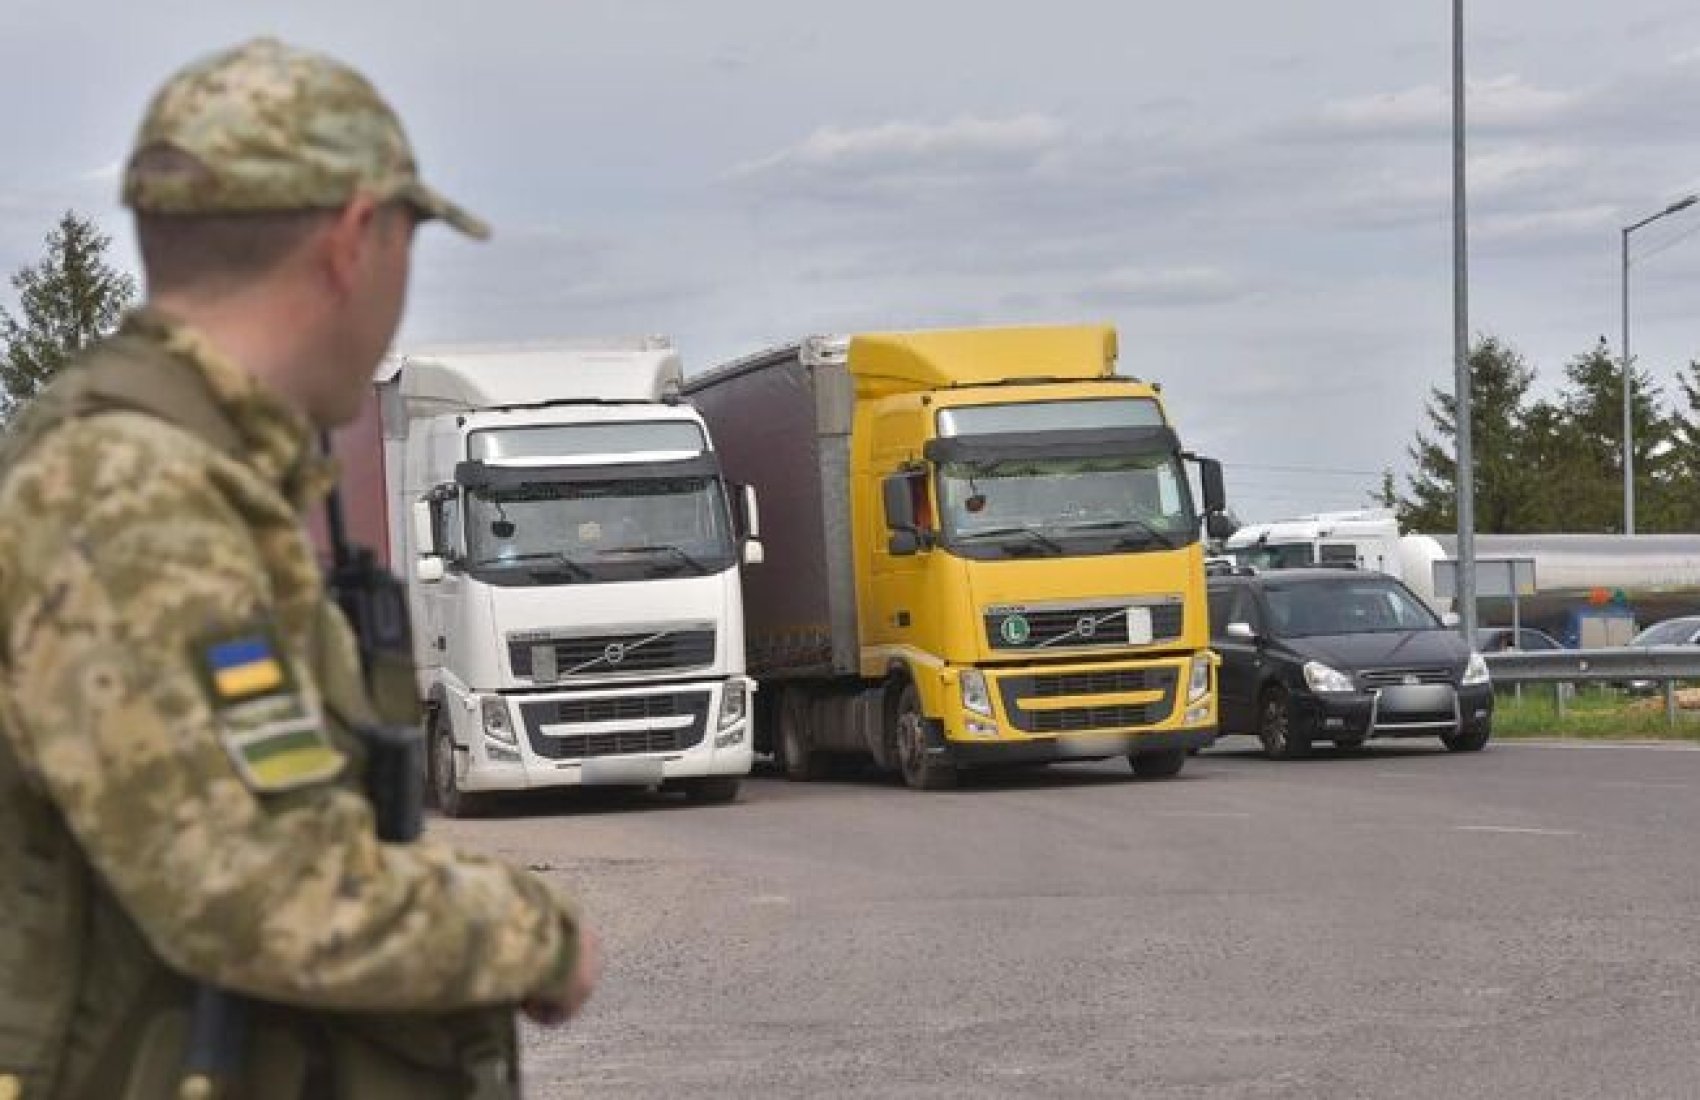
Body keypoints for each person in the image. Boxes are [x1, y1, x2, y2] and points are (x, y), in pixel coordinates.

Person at [0, 38, 597, 1099]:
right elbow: (257, 887)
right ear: (355, 238)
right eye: (411, 244)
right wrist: (534, 932)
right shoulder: (133, 491)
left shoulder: (179, 470)